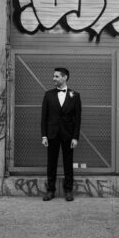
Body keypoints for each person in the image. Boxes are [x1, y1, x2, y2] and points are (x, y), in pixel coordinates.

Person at [41, 67, 82, 201]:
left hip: (68, 135)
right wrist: (44, 135)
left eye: (57, 76)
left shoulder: (75, 95)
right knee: (51, 163)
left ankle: (68, 191)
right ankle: (50, 191)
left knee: (68, 163)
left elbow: (77, 118)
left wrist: (75, 137)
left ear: (65, 78)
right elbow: (44, 117)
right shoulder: (48, 95)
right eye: (54, 76)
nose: (54, 78)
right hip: (52, 135)